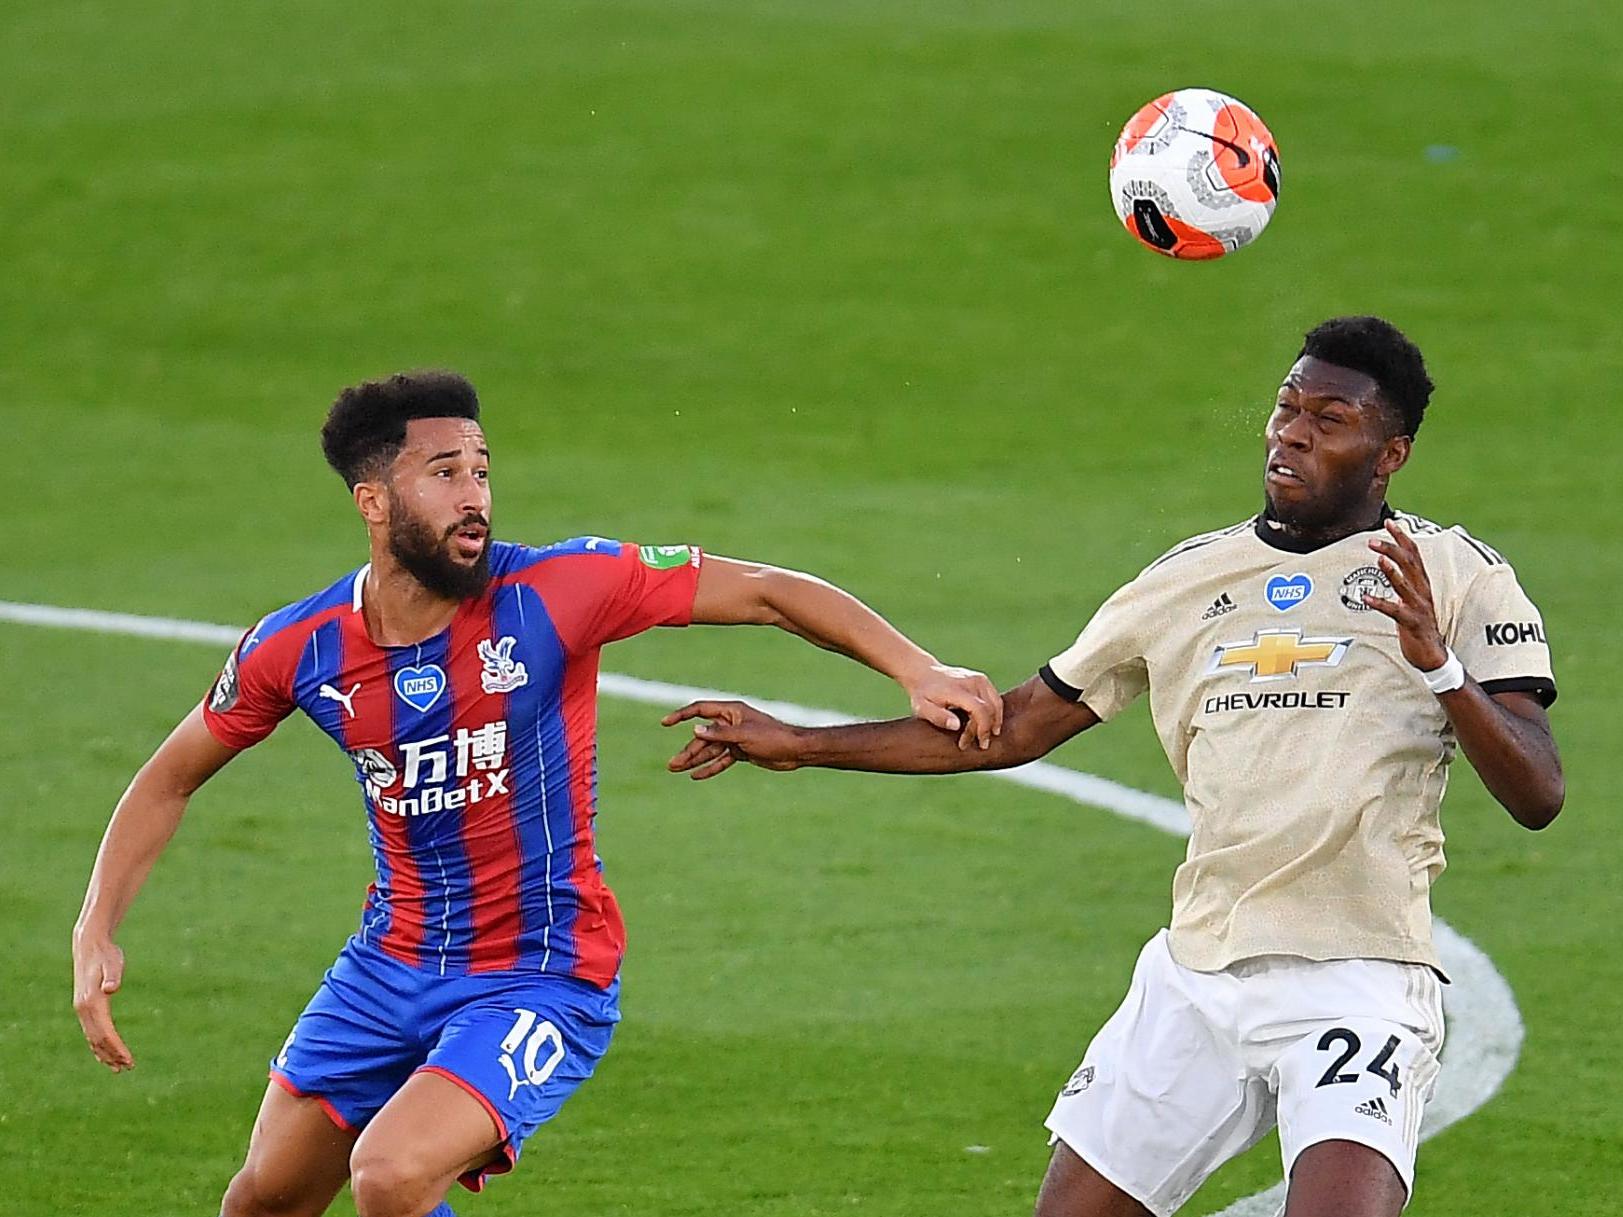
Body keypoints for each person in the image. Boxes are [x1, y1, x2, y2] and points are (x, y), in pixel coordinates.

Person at [664, 316, 1564, 1217]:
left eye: (1330, 420)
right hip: (1197, 973)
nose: (1291, 432)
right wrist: (802, 743)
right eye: (1287, 407)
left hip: (1357, 975)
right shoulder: (1184, 580)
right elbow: (1013, 727)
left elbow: (1537, 791)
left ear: (1389, 454)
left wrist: (1436, 665)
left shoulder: (1454, 577)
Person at [70, 370, 1002, 1217]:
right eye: (443, 473)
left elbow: (763, 590)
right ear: (372, 500)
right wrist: (96, 925)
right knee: (262, 1201)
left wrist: (915, 669)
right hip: (386, 965)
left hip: (543, 971)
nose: (474, 495)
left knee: (391, 1174)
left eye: (481, 468)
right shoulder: (300, 646)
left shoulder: (559, 588)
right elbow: (170, 776)